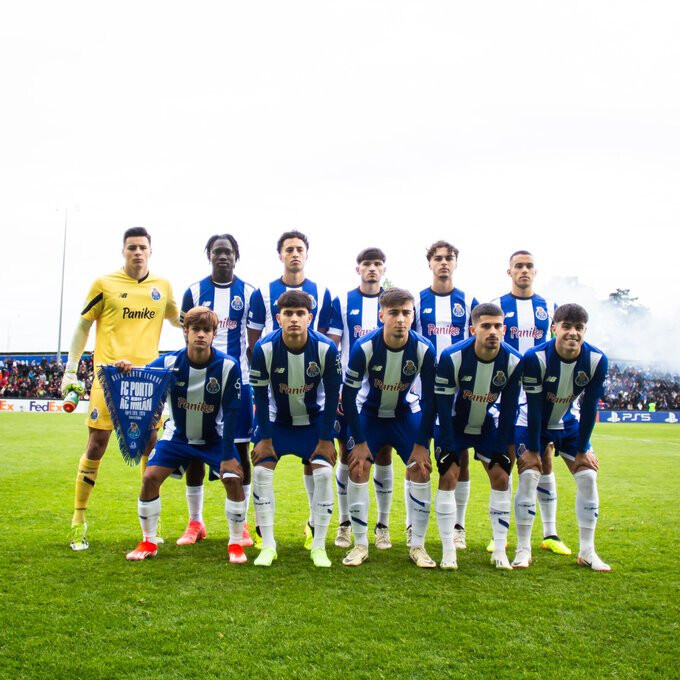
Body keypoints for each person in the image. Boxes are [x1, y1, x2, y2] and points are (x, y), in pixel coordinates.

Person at [61, 227, 180, 551]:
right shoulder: (105, 284)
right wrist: (71, 370)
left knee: (150, 446)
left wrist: (209, 327)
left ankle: (148, 528)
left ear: (150, 251)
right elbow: (84, 324)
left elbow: (178, 318)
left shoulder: (162, 287)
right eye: (131, 247)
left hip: (148, 381)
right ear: (123, 251)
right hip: (109, 378)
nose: (137, 252)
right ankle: (78, 520)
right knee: (97, 444)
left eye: (142, 247)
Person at [122, 306, 247, 563]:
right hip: (176, 436)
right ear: (186, 333)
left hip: (214, 437)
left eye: (206, 330)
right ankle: (148, 541)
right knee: (149, 478)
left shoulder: (227, 366)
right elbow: (143, 377)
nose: (201, 335)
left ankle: (235, 544)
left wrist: (227, 456)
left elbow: (233, 413)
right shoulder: (169, 362)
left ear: (214, 334)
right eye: (195, 329)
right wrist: (126, 367)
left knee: (234, 479)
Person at [247, 230, 334, 550]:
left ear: (306, 254)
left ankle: (316, 529)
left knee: (318, 467)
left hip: (312, 396)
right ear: (280, 255)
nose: (295, 254)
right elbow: (253, 340)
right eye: (289, 249)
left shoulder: (323, 292)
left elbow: (329, 340)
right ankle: (263, 535)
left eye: (300, 249)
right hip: (275, 398)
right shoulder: (263, 293)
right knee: (261, 465)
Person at [342, 288, 437, 568]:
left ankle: (418, 545)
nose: (400, 319)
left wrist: (422, 444)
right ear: (381, 315)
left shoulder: (424, 349)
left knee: (421, 468)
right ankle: (360, 544)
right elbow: (348, 395)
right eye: (393, 313)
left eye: (406, 312)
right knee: (358, 466)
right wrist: (359, 441)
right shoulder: (365, 347)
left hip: (404, 415)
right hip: (370, 414)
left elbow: (431, 399)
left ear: (413, 315)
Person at [514, 303, 610, 571]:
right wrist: (533, 449)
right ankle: (523, 549)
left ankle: (587, 551)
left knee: (589, 476)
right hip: (531, 422)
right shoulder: (536, 358)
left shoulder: (596, 360)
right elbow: (533, 408)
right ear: (553, 328)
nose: (572, 333)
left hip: (568, 423)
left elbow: (590, 407)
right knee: (530, 475)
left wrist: (582, 449)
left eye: (578, 328)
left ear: (585, 331)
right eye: (566, 326)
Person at [490, 250, 570, 558]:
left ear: (535, 272)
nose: (524, 270)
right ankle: (504, 534)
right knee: (510, 459)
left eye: (529, 266)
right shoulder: (498, 306)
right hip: (510, 392)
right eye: (518, 266)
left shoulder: (549, 307)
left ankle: (550, 532)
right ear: (509, 272)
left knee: (545, 458)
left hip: (542, 395)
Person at [178, 234, 255, 548]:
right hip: (199, 381)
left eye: (228, 252)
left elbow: (253, 343)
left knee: (240, 452)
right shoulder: (194, 292)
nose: (223, 256)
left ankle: (243, 522)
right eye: (217, 251)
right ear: (208, 255)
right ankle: (195, 522)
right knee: (195, 449)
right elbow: (186, 336)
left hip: (239, 382)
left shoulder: (250, 293)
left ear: (237, 255)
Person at [434, 303, 522, 570]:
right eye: (486, 326)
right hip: (453, 425)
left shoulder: (514, 360)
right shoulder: (452, 356)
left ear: (504, 329)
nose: (492, 331)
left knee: (501, 476)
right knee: (449, 474)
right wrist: (448, 445)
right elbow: (442, 404)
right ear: (473, 329)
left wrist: (502, 447)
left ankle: (499, 548)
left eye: (497, 326)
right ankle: (449, 549)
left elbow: (509, 408)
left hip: (487, 426)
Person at [413, 240, 478, 550]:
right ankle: (413, 525)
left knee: (461, 456)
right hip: (421, 391)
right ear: (429, 263)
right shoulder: (416, 302)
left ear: (455, 263)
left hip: (458, 394)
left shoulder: (468, 303)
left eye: (448, 258)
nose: (443, 263)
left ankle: (457, 526)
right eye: (437, 258)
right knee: (417, 455)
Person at [326, 247, 391, 550]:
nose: (372, 269)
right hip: (349, 393)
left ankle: (383, 525)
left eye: (378, 264)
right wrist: (338, 388)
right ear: (358, 269)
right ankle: (344, 523)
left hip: (384, 392)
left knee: (384, 454)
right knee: (347, 454)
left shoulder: (393, 304)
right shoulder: (343, 302)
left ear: (384, 269)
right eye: (367, 264)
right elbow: (334, 346)